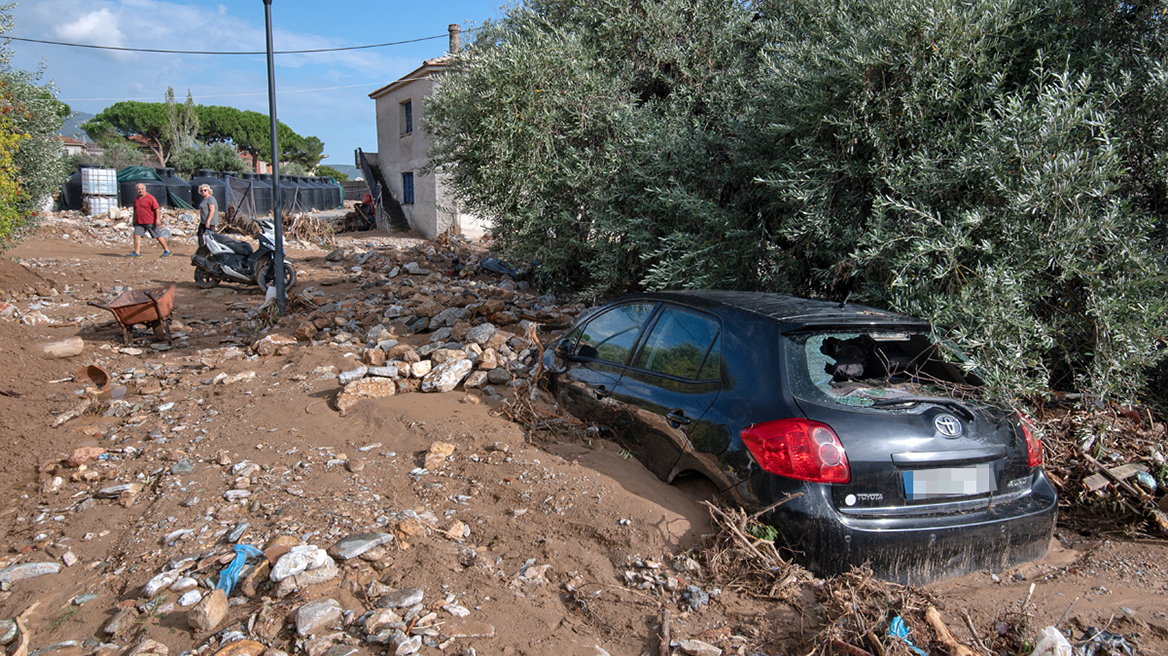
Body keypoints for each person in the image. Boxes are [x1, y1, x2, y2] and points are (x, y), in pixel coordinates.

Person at [128, 183, 170, 257]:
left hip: (150, 222)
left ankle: (167, 250)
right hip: (139, 222)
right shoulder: (137, 199)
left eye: (142, 189)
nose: (141, 191)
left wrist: (158, 219)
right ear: (136, 190)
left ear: (145, 189)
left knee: (158, 236)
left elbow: (157, 209)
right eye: (139, 189)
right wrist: (134, 219)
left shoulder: (150, 198)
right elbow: (135, 210)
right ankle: (137, 253)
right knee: (136, 235)